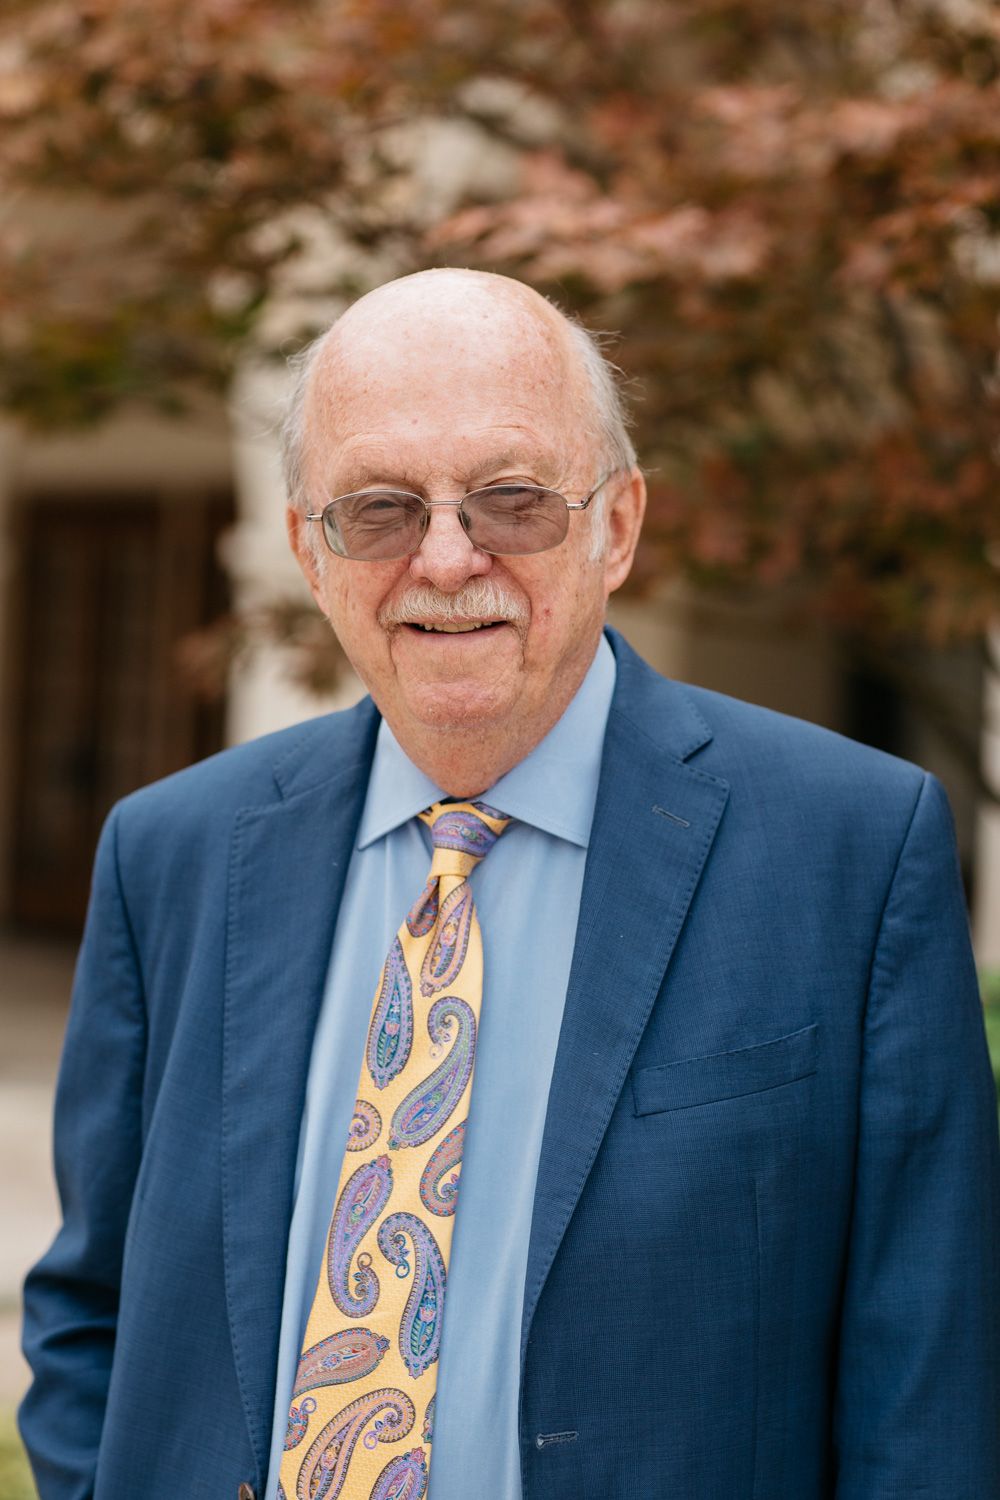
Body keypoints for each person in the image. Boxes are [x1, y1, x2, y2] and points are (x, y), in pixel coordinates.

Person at [19, 268, 1000, 1500]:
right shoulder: (172, 852)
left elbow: (929, 1373)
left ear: (620, 525)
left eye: (512, 500)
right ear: (306, 551)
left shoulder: (849, 850)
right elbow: (89, 1308)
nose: (445, 557)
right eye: (378, 508)